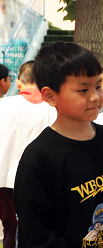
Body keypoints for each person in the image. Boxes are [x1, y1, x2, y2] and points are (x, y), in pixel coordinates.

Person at [14, 42, 103, 248]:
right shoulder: (38, 157)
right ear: (50, 95)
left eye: (98, 86)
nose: (95, 97)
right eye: (83, 90)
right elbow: (36, 233)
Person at [0, 61, 55, 248]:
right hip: (40, 179)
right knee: (39, 228)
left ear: (18, 82)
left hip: (4, 178)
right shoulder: (53, 108)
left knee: (11, 228)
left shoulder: (3, 105)